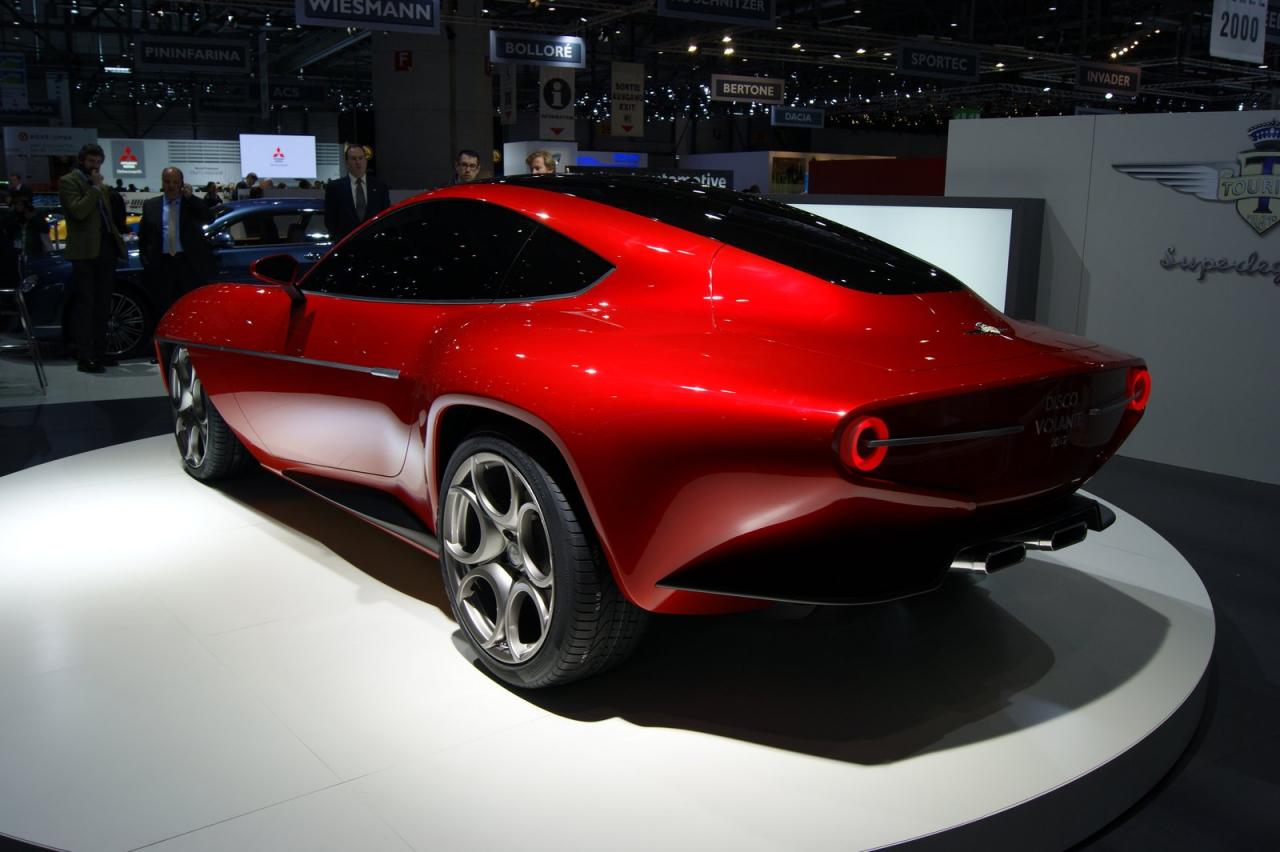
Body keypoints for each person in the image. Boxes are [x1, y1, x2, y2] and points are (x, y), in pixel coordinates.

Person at [58, 143, 126, 373]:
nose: (95, 166)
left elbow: (106, 217)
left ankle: (100, 351)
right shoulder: (69, 182)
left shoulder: (100, 186)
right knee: (85, 305)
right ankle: (84, 356)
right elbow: (78, 211)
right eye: (91, 161)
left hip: (106, 249)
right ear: (81, 161)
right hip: (84, 252)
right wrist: (95, 189)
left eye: (98, 162)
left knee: (103, 305)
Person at [138, 167, 213, 315]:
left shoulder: (190, 204)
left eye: (175, 182)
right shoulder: (151, 205)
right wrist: (146, 261)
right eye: (167, 182)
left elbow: (209, 218)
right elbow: (144, 236)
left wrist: (191, 198)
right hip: (161, 266)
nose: (171, 186)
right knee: (163, 309)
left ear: (181, 184)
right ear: (162, 183)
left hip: (187, 265)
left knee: (190, 308)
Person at [325, 143, 390, 243]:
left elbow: (385, 217)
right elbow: (330, 220)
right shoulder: (335, 188)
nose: (358, 162)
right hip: (346, 245)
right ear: (347, 163)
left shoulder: (380, 187)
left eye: (361, 158)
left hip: (374, 244)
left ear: (366, 160)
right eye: (353, 159)